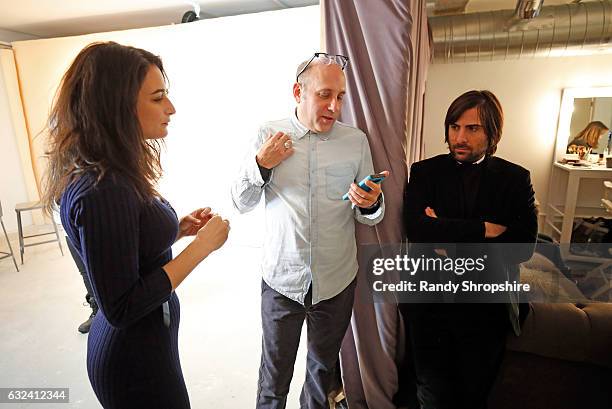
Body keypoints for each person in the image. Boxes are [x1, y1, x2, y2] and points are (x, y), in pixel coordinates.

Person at [42, 42, 230, 409]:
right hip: (132, 361)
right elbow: (122, 307)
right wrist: (201, 248)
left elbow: (120, 247)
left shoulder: (109, 171)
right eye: (158, 98)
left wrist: (178, 229)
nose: (171, 109)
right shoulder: (104, 188)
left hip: (145, 349)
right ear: (118, 105)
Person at [231, 53, 388, 409]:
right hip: (281, 281)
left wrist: (369, 202)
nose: (334, 106)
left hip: (336, 282)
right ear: (298, 92)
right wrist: (261, 165)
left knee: (321, 374)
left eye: (341, 97)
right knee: (274, 379)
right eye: (324, 94)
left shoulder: (356, 141)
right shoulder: (267, 135)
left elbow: (371, 217)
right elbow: (240, 202)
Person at [401, 90, 538, 409]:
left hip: (485, 308)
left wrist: (446, 237)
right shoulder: (424, 172)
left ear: (492, 133)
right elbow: (417, 230)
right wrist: (483, 229)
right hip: (430, 303)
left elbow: (522, 247)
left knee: (474, 396)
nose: (459, 137)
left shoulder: (516, 179)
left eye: (472, 128)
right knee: (432, 395)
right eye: (454, 126)